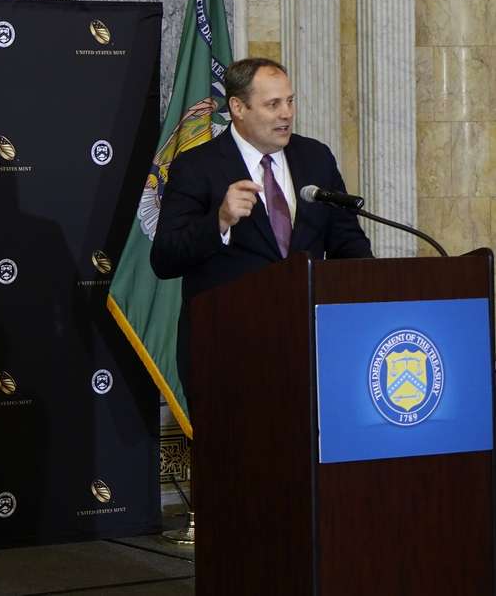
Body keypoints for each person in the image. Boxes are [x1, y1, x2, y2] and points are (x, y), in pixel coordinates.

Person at [150, 58, 373, 398]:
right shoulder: (197, 167)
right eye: (273, 104)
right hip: (226, 354)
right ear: (238, 107)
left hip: (310, 351)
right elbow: (164, 258)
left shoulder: (316, 158)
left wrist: (373, 299)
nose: (287, 114)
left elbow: (348, 245)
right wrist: (220, 221)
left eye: (290, 101)